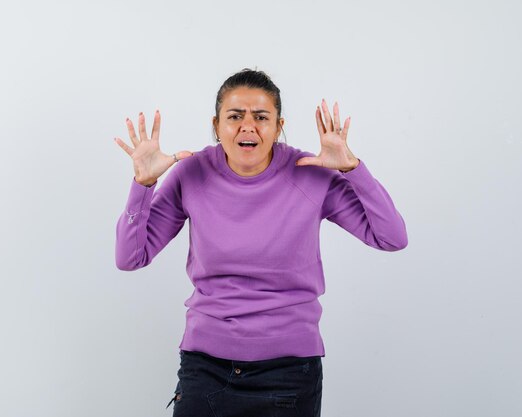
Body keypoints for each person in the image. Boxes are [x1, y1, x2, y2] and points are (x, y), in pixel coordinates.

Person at [114, 69, 408, 417]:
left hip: (289, 373)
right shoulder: (191, 173)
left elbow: (391, 237)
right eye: (235, 116)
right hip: (206, 370)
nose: (248, 126)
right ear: (217, 124)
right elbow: (130, 257)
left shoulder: (310, 172)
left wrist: (352, 169)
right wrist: (143, 185)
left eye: (261, 117)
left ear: (279, 126)